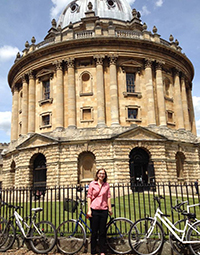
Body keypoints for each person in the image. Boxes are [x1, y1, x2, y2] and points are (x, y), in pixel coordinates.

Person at [87, 168, 112, 255]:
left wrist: (110, 209)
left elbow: (108, 197)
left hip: (103, 210)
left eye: (103, 174)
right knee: (94, 232)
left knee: (102, 232)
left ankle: (102, 251)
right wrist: (89, 210)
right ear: (97, 174)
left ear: (105, 176)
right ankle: (93, 251)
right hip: (94, 209)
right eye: (100, 173)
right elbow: (89, 197)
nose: (102, 175)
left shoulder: (106, 185)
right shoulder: (92, 184)